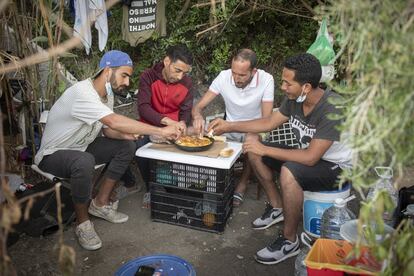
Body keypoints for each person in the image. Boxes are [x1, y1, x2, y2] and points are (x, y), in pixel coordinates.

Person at [208, 53, 352, 264]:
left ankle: (289, 240)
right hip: (307, 155)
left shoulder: (333, 108)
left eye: (287, 83)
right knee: (254, 149)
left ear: (307, 87)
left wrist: (265, 149)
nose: (283, 87)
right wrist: (229, 125)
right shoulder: (295, 99)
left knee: (289, 171)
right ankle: (277, 207)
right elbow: (267, 123)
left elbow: (311, 157)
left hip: (336, 167)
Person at [35, 50, 181, 251]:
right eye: (124, 75)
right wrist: (160, 130)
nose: (128, 82)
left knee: (126, 146)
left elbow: (108, 129)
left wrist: (128, 135)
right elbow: (113, 120)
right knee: (83, 161)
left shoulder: (106, 94)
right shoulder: (82, 93)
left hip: (81, 147)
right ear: (107, 71)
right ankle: (83, 223)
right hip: (53, 155)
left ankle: (100, 204)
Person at [192, 48, 274, 207]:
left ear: (253, 71)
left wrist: (231, 127)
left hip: (254, 128)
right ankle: (215, 179)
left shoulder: (266, 79)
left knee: (252, 139)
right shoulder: (224, 77)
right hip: (228, 127)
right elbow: (198, 106)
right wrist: (197, 117)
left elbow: (266, 121)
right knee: (200, 133)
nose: (236, 78)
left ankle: (242, 183)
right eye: (234, 73)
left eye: (242, 75)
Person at [134, 44, 195, 208]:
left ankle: (176, 186)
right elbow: (143, 108)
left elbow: (186, 110)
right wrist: (168, 122)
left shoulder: (187, 83)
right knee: (140, 146)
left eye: (185, 72)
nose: (181, 76)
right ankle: (150, 187)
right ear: (167, 61)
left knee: (187, 144)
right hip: (149, 124)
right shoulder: (148, 76)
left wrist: (182, 123)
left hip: (175, 127)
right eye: (177, 70)